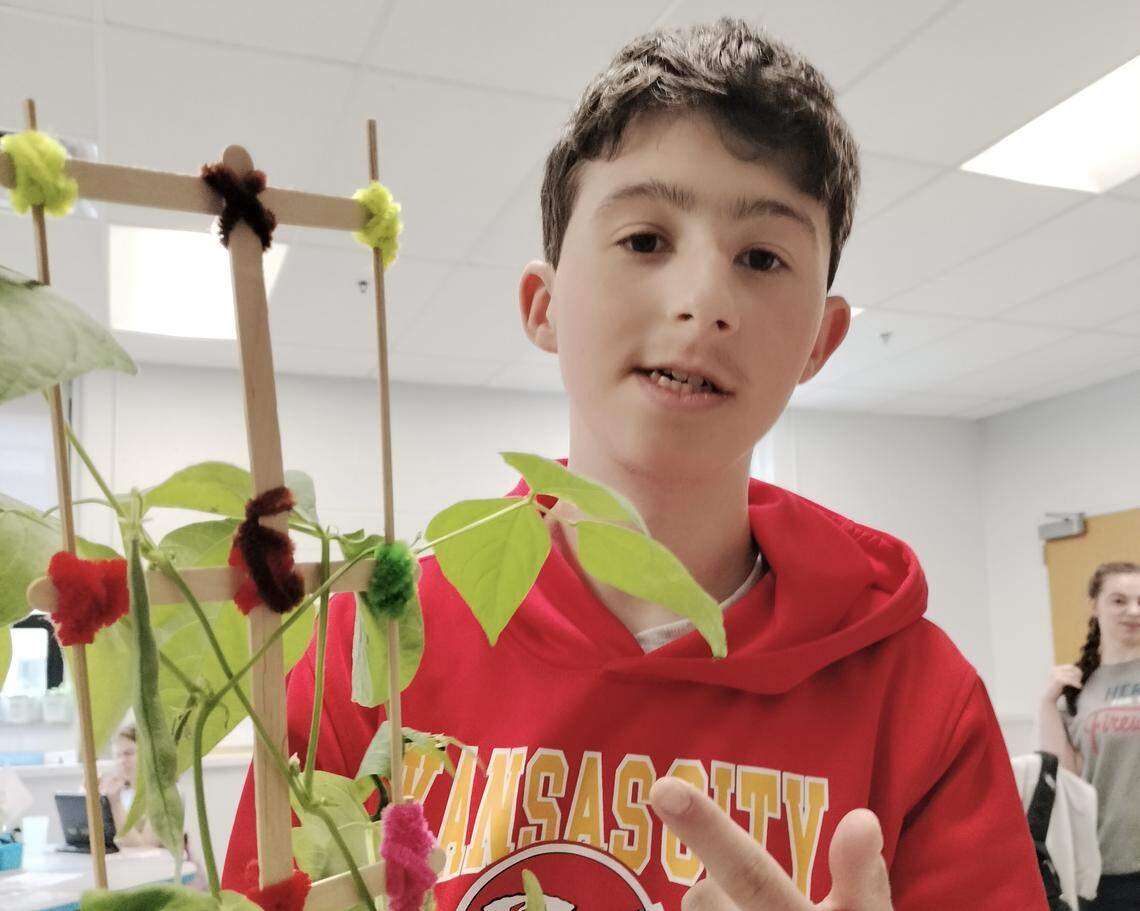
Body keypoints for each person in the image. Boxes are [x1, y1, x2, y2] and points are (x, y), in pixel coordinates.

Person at [224, 19, 1046, 909]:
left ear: (822, 340)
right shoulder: (371, 646)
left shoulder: (920, 701)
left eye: (763, 256)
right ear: (543, 304)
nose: (703, 303)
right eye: (646, 240)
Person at [1040, 562, 1140, 910]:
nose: (1133, 611)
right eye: (1118, 600)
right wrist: (1047, 703)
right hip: (1105, 866)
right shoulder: (1077, 688)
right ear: (1094, 605)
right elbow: (1065, 778)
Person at [98, 724, 163, 849]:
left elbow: (144, 849)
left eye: (128, 753)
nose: (122, 761)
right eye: (118, 755)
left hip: (152, 866)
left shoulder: (161, 795)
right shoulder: (122, 792)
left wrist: (115, 803)